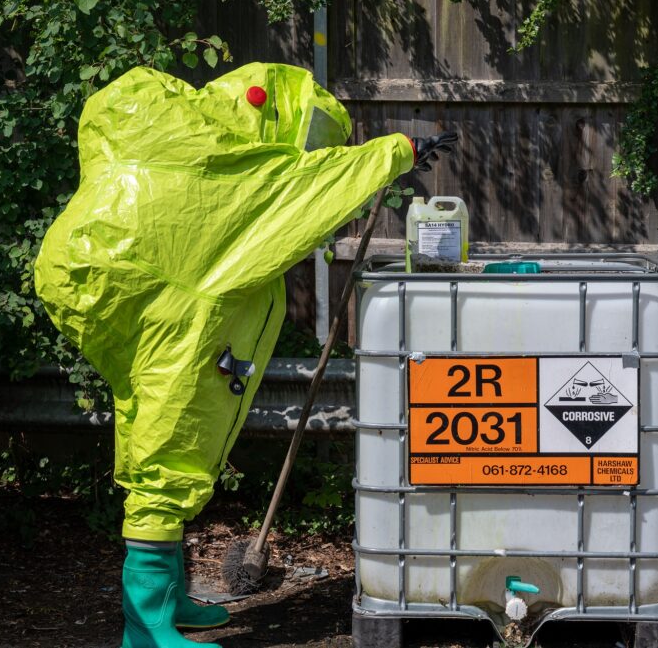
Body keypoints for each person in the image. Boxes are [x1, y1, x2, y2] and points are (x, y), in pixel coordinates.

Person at [34, 62, 457, 648]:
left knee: (147, 421)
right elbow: (305, 187)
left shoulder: (200, 140)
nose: (309, 156)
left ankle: (167, 596)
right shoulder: (238, 171)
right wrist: (398, 151)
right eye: (311, 143)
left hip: (103, 279)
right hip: (162, 296)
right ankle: (146, 625)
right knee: (172, 439)